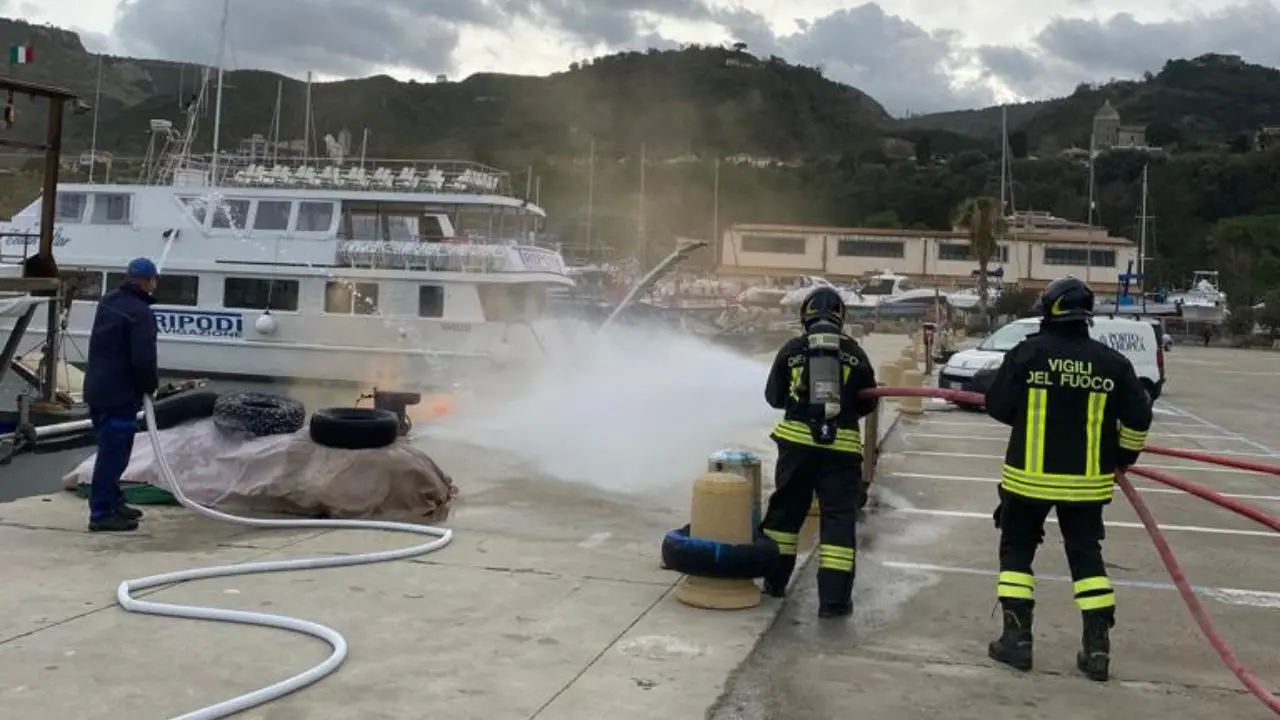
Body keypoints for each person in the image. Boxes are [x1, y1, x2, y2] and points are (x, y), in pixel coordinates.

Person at [984, 276, 1153, 681]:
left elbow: (997, 405)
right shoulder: (1112, 363)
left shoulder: (1028, 353)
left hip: (1028, 481)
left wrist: (1029, 418)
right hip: (1087, 485)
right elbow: (1140, 416)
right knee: (1086, 558)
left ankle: (1017, 641)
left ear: (1049, 310)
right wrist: (1122, 456)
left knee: (1017, 554)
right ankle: (1097, 650)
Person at [759, 287, 879, 618]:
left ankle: (774, 582)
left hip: (797, 447)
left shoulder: (793, 349)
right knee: (838, 522)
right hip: (840, 452)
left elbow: (774, 397)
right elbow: (868, 402)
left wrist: (801, 404)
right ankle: (834, 602)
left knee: (785, 515)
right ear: (841, 318)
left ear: (805, 315)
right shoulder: (856, 354)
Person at [82, 258, 161, 532]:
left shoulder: (109, 301)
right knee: (113, 454)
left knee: (114, 450)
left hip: (97, 389)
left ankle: (114, 501)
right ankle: (102, 513)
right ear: (148, 281)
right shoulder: (140, 313)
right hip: (120, 394)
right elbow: (142, 358)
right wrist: (150, 385)